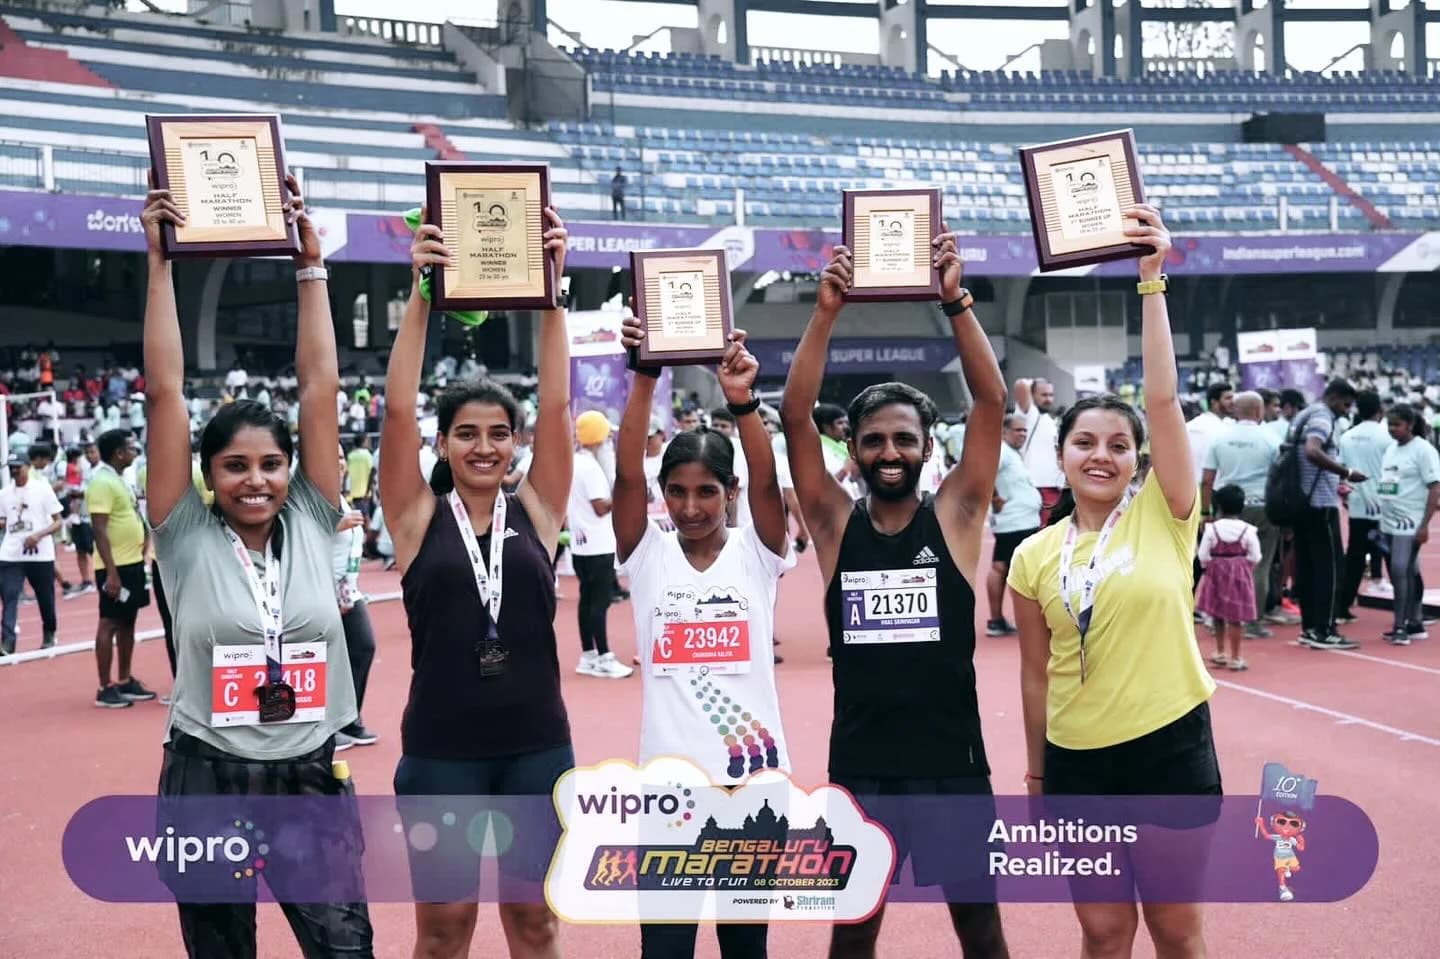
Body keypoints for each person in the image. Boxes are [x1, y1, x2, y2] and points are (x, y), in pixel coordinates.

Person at [141, 177, 373, 957]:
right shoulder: (183, 533)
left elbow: (319, 386)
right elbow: (165, 393)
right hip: (207, 777)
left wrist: (312, 269)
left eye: (272, 463)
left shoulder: (311, 511)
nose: (257, 480)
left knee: (345, 948)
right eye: (235, 465)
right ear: (208, 474)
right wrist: (160, 262)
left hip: (308, 772)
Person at [781, 228, 1011, 959]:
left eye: (904, 440)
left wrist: (956, 302)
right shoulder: (830, 522)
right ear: (852, 448)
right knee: (853, 932)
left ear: (926, 447)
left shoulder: (958, 515)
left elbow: (992, 402)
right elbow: (792, 415)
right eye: (874, 440)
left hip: (952, 762)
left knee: (979, 928)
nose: (889, 453)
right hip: (862, 764)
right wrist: (824, 312)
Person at [1008, 205, 1220, 958]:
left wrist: (1151, 279)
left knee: (1175, 928)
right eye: (1085, 442)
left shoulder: (1167, 515)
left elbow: (1162, 400)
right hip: (1076, 761)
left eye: (1119, 445)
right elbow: (1036, 671)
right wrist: (1036, 773)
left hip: (1169, 750)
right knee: (1102, 932)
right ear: (1060, 455)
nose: (1102, 455)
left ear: (1138, 457)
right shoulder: (1035, 555)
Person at [381, 206, 574, 959]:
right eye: (467, 432)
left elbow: (557, 404)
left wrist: (553, 296)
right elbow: (398, 406)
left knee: (534, 924)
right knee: (444, 928)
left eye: (499, 433)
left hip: (536, 748)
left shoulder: (540, 510)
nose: (485, 445)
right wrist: (423, 291)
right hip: (441, 751)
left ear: (517, 442)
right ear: (444, 442)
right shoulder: (412, 517)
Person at [615, 320, 792, 959]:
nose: (690, 507)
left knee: (746, 948)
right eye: (678, 492)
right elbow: (627, 478)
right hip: (668, 788)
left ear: (731, 492)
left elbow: (772, 483)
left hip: (754, 786)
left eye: (707, 492)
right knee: (665, 948)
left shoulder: (759, 552)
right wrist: (643, 374)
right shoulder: (646, 554)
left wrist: (742, 401)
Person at [1200, 391, 1280, 638]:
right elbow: (1280, 477)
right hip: (1262, 506)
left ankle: (1220, 618)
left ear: (1235, 410)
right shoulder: (1271, 438)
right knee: (1259, 565)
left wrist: (1206, 512)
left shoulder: (1220, 439)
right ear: (1259, 411)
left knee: (1221, 565)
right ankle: (1253, 622)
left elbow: (1207, 479)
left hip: (1228, 507)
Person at [87, 428, 156, 707]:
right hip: (114, 567)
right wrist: (112, 572)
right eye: (130, 448)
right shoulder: (101, 482)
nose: (134, 452)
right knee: (109, 622)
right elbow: (99, 530)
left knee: (128, 621)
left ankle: (125, 679)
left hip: (132, 563)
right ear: (118, 453)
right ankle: (105, 687)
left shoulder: (118, 479)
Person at [1293, 379, 1362, 650]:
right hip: (1319, 503)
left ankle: (1310, 627)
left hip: (1301, 500)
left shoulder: (1304, 415)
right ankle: (1325, 629)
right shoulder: (1322, 417)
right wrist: (1345, 472)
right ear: (1333, 397)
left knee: (1307, 568)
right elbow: (1312, 450)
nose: (1346, 410)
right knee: (1331, 569)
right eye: (1345, 404)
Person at [569, 409, 633, 679]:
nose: (609, 442)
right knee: (599, 602)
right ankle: (604, 656)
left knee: (587, 602)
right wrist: (624, 493)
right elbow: (600, 507)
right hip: (597, 546)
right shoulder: (591, 467)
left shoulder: (574, 462)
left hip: (581, 545)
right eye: (607, 437)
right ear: (599, 438)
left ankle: (589, 656)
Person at [1377, 402, 1440, 646]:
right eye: (1389, 424)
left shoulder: (1423, 450)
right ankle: (1415, 622)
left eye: (1397, 425)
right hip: (1389, 520)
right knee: (1408, 570)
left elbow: (1434, 487)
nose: (1392, 429)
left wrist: (1424, 525)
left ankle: (1400, 626)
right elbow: (1390, 482)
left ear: (1410, 425)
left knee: (1399, 569)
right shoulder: (1391, 449)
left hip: (1410, 520)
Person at [333, 445, 378, 750]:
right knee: (325, 659)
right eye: (330, 458)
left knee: (363, 646)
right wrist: (331, 525)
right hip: (317, 592)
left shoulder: (341, 499)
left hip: (348, 590)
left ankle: (348, 719)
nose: (336, 464)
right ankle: (327, 726)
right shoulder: (304, 501)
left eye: (340, 458)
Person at [0, 451, 62, 655]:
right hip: (11, 553)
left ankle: (49, 633)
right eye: (11, 467)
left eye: (18, 466)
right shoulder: (4, 494)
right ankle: (8, 642)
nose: (15, 470)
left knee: (45, 598)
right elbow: (4, 521)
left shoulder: (42, 489)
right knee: (9, 597)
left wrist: (38, 535)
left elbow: (58, 521)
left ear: (28, 466)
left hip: (40, 554)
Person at [987, 413, 1041, 637]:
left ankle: (999, 620)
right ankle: (997, 620)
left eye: (1024, 430)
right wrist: (994, 498)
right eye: (1018, 430)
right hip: (1014, 522)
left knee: (1009, 568)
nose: (1022, 434)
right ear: (1004, 431)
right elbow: (985, 472)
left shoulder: (1012, 454)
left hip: (1022, 521)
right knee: (1003, 568)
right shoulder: (1001, 452)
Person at [1197, 484, 1262, 671]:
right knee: (1236, 618)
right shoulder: (1248, 530)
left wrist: (1210, 567)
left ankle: (1220, 651)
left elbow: (1202, 555)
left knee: (1217, 614)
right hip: (1239, 576)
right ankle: (1236, 656)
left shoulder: (1211, 529)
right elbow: (1255, 555)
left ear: (1218, 506)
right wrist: (1245, 567)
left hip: (1216, 574)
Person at [1336, 391, 1389, 621]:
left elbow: (1340, 468)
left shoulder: (1347, 436)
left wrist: (1345, 495)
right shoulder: (1387, 434)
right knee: (1392, 554)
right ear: (1380, 411)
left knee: (1355, 556)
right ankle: (1408, 610)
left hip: (1357, 501)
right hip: (1384, 502)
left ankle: (1343, 605)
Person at [1013, 377, 1063, 525]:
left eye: (1051, 395)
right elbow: (1020, 385)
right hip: (1038, 486)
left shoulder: (1048, 419)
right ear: (1032, 395)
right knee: (1042, 533)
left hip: (1054, 486)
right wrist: (1031, 383)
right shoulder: (1028, 415)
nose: (1048, 399)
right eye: (1043, 395)